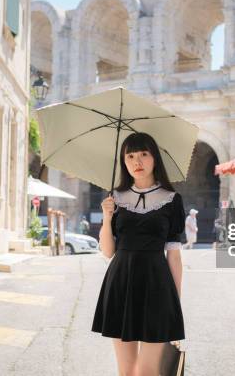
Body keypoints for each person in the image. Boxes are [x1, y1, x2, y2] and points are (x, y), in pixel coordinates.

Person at [92, 132, 185, 376]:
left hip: (157, 286)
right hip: (121, 284)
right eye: (130, 156)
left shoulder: (172, 200)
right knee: (126, 371)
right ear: (124, 161)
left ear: (155, 158)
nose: (137, 161)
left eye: (144, 154)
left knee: (147, 372)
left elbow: (174, 256)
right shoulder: (116, 198)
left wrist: (175, 302)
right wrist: (107, 216)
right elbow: (108, 251)